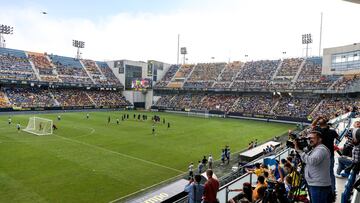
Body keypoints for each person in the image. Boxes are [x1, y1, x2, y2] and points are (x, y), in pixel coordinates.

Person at [295, 130, 332, 203]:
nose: (309, 140)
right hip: (316, 184)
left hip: (319, 186)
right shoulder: (315, 149)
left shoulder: (321, 149)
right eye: (308, 139)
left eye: (312, 138)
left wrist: (299, 151)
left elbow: (312, 161)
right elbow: (306, 159)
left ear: (320, 139)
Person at [312, 116, 339, 196]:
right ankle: (332, 192)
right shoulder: (332, 131)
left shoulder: (317, 131)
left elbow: (313, 125)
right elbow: (337, 138)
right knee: (330, 174)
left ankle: (323, 192)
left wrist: (317, 118)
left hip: (320, 156)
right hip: (330, 155)